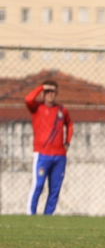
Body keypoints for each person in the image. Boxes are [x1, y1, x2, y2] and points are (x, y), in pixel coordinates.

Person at [25, 80, 72, 216]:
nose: (51, 95)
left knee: (55, 188)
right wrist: (41, 87)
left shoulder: (62, 110)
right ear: (43, 93)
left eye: (53, 92)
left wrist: (67, 142)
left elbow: (69, 125)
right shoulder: (37, 108)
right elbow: (28, 99)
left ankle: (48, 216)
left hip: (59, 156)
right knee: (38, 185)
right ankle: (31, 214)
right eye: (48, 92)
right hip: (42, 155)